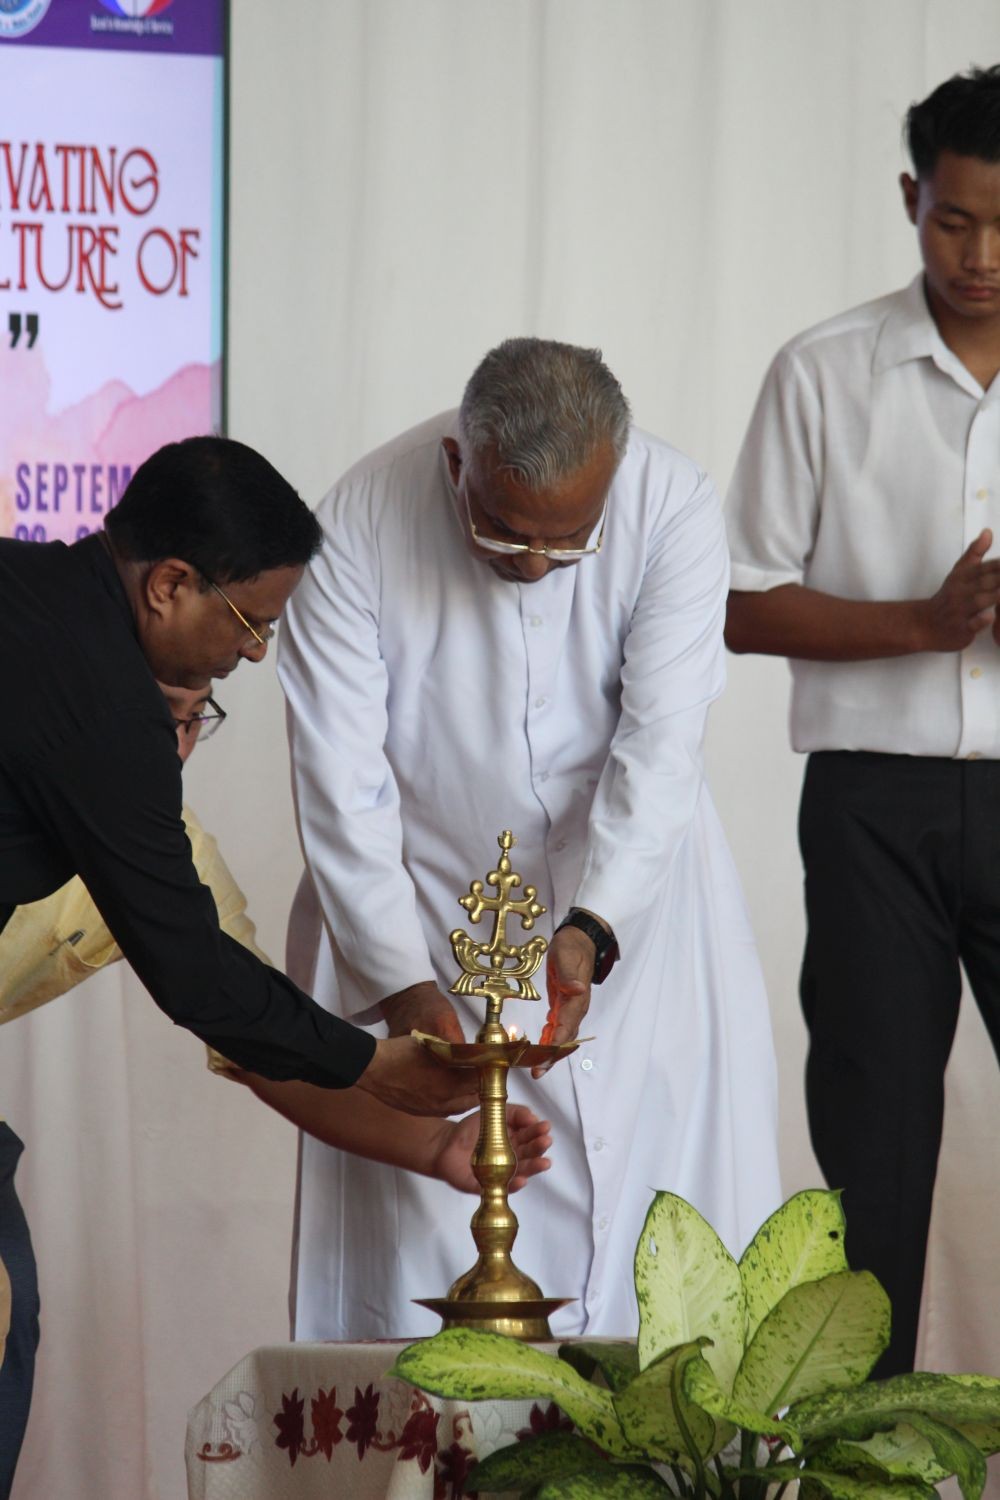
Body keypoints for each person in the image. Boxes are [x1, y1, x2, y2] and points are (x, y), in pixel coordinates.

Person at [279, 336, 782, 1342]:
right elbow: (343, 786)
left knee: (666, 1264)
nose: (542, 564)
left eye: (571, 542)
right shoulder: (355, 524)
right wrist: (409, 997)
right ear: (459, 467)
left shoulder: (670, 505)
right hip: (416, 909)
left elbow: (661, 747)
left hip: (641, 925)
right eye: (508, 537)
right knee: (428, 1282)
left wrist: (592, 928)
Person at [0, 436, 477, 1496]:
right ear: (169, 585)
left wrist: (434, 1143)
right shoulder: (99, 694)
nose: (256, 655)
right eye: (251, 622)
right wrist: (371, 1059)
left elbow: (249, 1035)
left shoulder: (34, 600)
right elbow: (200, 979)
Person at [724, 65, 1000, 1376]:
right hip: (870, 807)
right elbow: (744, 605)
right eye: (954, 221)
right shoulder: (823, 371)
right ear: (910, 199)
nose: (982, 255)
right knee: (873, 1157)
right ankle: (870, 1462)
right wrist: (925, 623)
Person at [0, 680, 550, 1189]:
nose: (171, 747)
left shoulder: (174, 854)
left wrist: (434, 1144)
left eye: (192, 719)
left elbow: (258, 1037)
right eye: (156, 713)